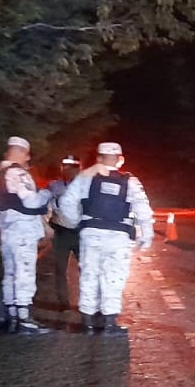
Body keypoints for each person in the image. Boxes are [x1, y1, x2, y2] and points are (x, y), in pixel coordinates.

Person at [56, 141, 154, 334]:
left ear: (99, 158)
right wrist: (147, 234)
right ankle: (109, 323)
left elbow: (67, 202)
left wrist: (78, 221)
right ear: (120, 160)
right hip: (119, 235)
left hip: (90, 233)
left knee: (89, 275)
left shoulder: (85, 177)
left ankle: (88, 322)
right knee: (114, 277)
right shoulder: (130, 181)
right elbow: (143, 209)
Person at [0, 136, 53, 333]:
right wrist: (46, 193)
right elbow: (31, 202)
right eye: (27, 154)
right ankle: (25, 319)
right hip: (23, 231)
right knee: (24, 273)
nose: (28, 159)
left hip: (7, 231)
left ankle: (12, 317)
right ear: (20, 152)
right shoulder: (18, 173)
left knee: (9, 273)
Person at [45, 155, 82, 307]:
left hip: (81, 232)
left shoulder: (86, 186)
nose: (67, 170)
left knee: (87, 269)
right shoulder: (54, 186)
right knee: (60, 269)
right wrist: (46, 227)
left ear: (78, 169)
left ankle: (88, 304)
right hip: (60, 231)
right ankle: (63, 303)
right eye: (64, 167)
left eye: (71, 167)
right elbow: (45, 206)